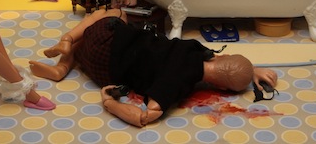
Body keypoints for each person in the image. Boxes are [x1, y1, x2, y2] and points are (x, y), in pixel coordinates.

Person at [29, 8, 278, 126]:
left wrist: (250, 69)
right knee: (95, 41)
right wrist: (110, 102)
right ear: (221, 88)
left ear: (218, 57)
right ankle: (62, 68)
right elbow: (146, 115)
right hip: (103, 71)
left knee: (114, 13)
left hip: (109, 42)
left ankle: (67, 42)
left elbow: (228, 61)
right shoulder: (176, 85)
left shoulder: (192, 48)